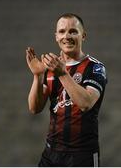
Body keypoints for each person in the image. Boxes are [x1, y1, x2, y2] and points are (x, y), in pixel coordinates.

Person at [26, 13, 107, 167]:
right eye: (62, 31)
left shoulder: (95, 67)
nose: (67, 36)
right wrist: (38, 76)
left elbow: (86, 103)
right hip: (51, 153)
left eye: (73, 31)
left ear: (83, 36)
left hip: (82, 155)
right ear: (56, 37)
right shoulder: (49, 68)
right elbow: (34, 108)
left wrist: (62, 73)